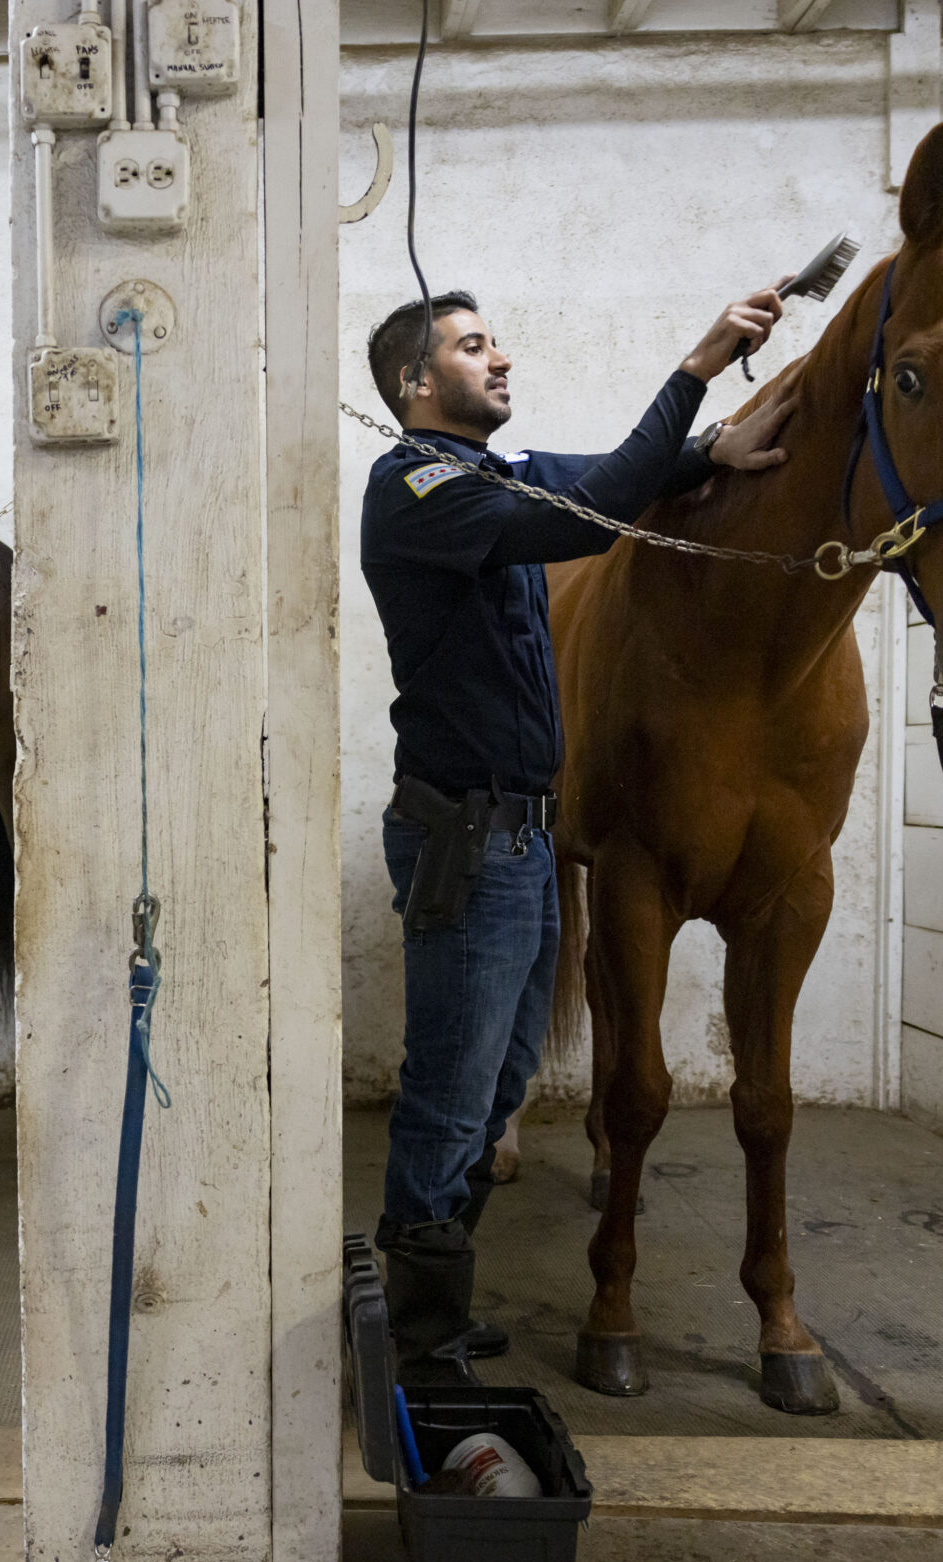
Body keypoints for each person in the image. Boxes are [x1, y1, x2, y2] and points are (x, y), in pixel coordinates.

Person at [360, 286, 799, 1385]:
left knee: (501, 1078)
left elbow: (603, 473)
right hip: (467, 839)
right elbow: (594, 506)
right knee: (448, 1095)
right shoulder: (415, 487)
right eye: (471, 347)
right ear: (418, 385)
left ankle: (435, 1300)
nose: (499, 356)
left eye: (493, 338)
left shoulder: (490, 477)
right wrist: (697, 361)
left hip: (521, 839)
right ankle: (413, 1339)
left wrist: (710, 449)